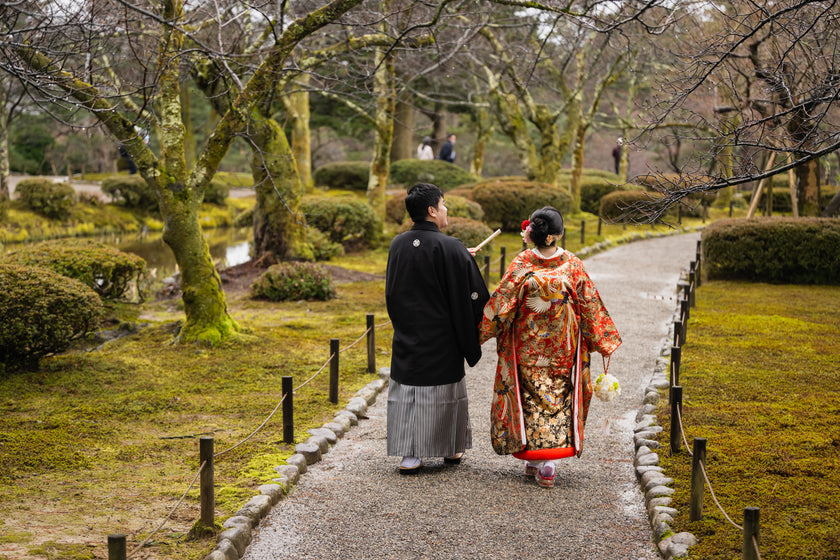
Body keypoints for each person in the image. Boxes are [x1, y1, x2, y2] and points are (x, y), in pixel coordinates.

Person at [478, 206, 621, 488]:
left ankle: (540, 459)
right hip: (562, 347)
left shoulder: (522, 263)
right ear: (558, 235)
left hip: (527, 347)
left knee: (529, 398)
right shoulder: (572, 264)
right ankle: (546, 463)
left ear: (531, 234)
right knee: (557, 398)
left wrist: (481, 332)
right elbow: (590, 305)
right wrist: (603, 339)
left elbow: (502, 303)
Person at [385, 182, 490, 474]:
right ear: (432, 210)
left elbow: (392, 291)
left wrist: (458, 257)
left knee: (408, 392)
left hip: (408, 333)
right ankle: (450, 447)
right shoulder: (451, 247)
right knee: (444, 393)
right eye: (443, 205)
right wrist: (462, 260)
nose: (446, 210)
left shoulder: (397, 244)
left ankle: (410, 454)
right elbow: (475, 296)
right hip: (444, 337)